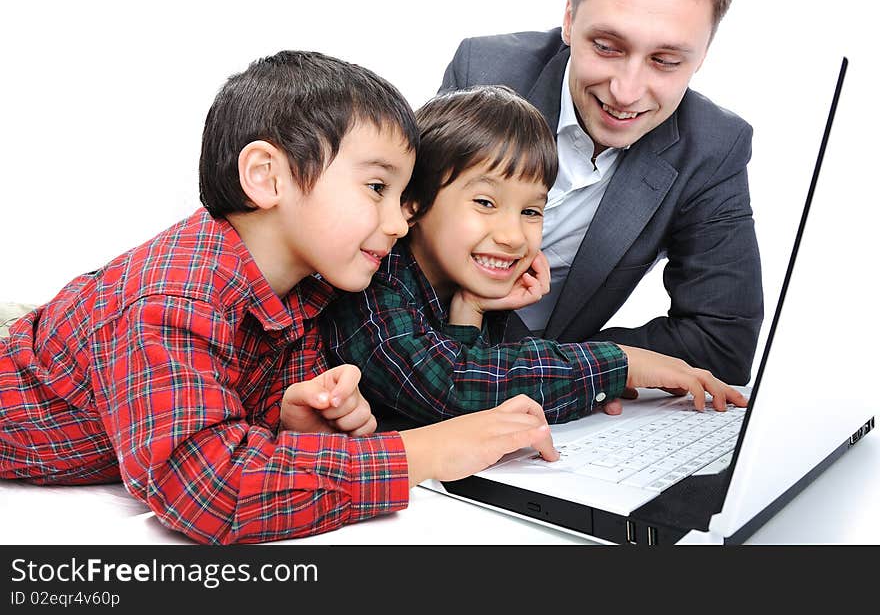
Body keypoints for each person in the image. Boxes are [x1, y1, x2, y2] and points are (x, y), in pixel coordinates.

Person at [0, 51, 559, 545]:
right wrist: (424, 453)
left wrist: (287, 419)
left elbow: (224, 417)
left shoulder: (304, 291)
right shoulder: (173, 297)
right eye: (377, 188)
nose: (396, 224)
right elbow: (206, 488)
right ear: (267, 177)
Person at [439, 0, 763, 386]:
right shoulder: (484, 74)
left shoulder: (714, 148)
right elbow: (400, 261)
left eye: (666, 60)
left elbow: (722, 340)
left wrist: (587, 370)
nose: (626, 92)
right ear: (569, 20)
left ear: (703, 55)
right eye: (607, 47)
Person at [323, 85, 747, 427]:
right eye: (486, 203)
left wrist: (469, 308)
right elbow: (452, 389)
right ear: (413, 202)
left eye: (530, 211)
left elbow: (474, 386)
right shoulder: (374, 281)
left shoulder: (464, 286)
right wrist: (618, 362)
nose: (512, 236)